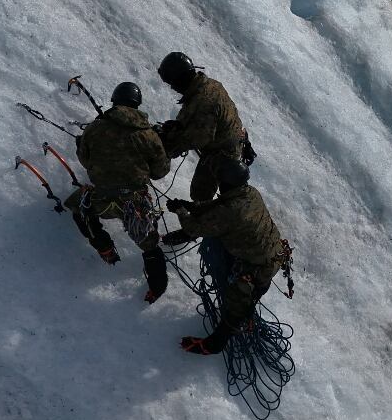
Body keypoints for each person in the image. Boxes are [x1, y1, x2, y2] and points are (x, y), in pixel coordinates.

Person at [163, 158, 287, 355]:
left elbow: (196, 227)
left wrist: (182, 212)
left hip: (258, 266)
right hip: (273, 253)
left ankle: (215, 343)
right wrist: (189, 206)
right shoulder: (249, 192)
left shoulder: (231, 212)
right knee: (249, 293)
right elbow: (218, 206)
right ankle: (248, 307)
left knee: (236, 306)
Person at [67, 82, 171, 302]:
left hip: (101, 198)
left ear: (114, 101)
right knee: (150, 244)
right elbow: (160, 172)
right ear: (137, 105)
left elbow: (85, 160)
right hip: (134, 203)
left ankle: (104, 248)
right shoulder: (148, 135)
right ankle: (157, 289)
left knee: (78, 208)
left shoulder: (94, 128)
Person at [156, 51, 253, 202]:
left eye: (172, 83)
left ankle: (209, 222)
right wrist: (178, 125)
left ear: (180, 80)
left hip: (223, 153)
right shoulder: (207, 85)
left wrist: (167, 145)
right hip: (229, 140)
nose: (172, 88)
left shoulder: (204, 102)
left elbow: (198, 138)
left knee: (200, 193)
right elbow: (193, 113)